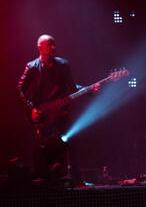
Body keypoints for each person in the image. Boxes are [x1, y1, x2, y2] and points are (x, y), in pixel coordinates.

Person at [17, 34, 99, 184]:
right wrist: (31, 108)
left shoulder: (63, 64)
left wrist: (89, 90)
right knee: (46, 146)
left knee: (72, 142)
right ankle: (46, 177)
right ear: (40, 48)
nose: (53, 47)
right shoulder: (32, 66)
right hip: (44, 114)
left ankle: (76, 179)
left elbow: (72, 89)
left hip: (61, 112)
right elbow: (20, 88)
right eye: (49, 44)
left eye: (54, 44)